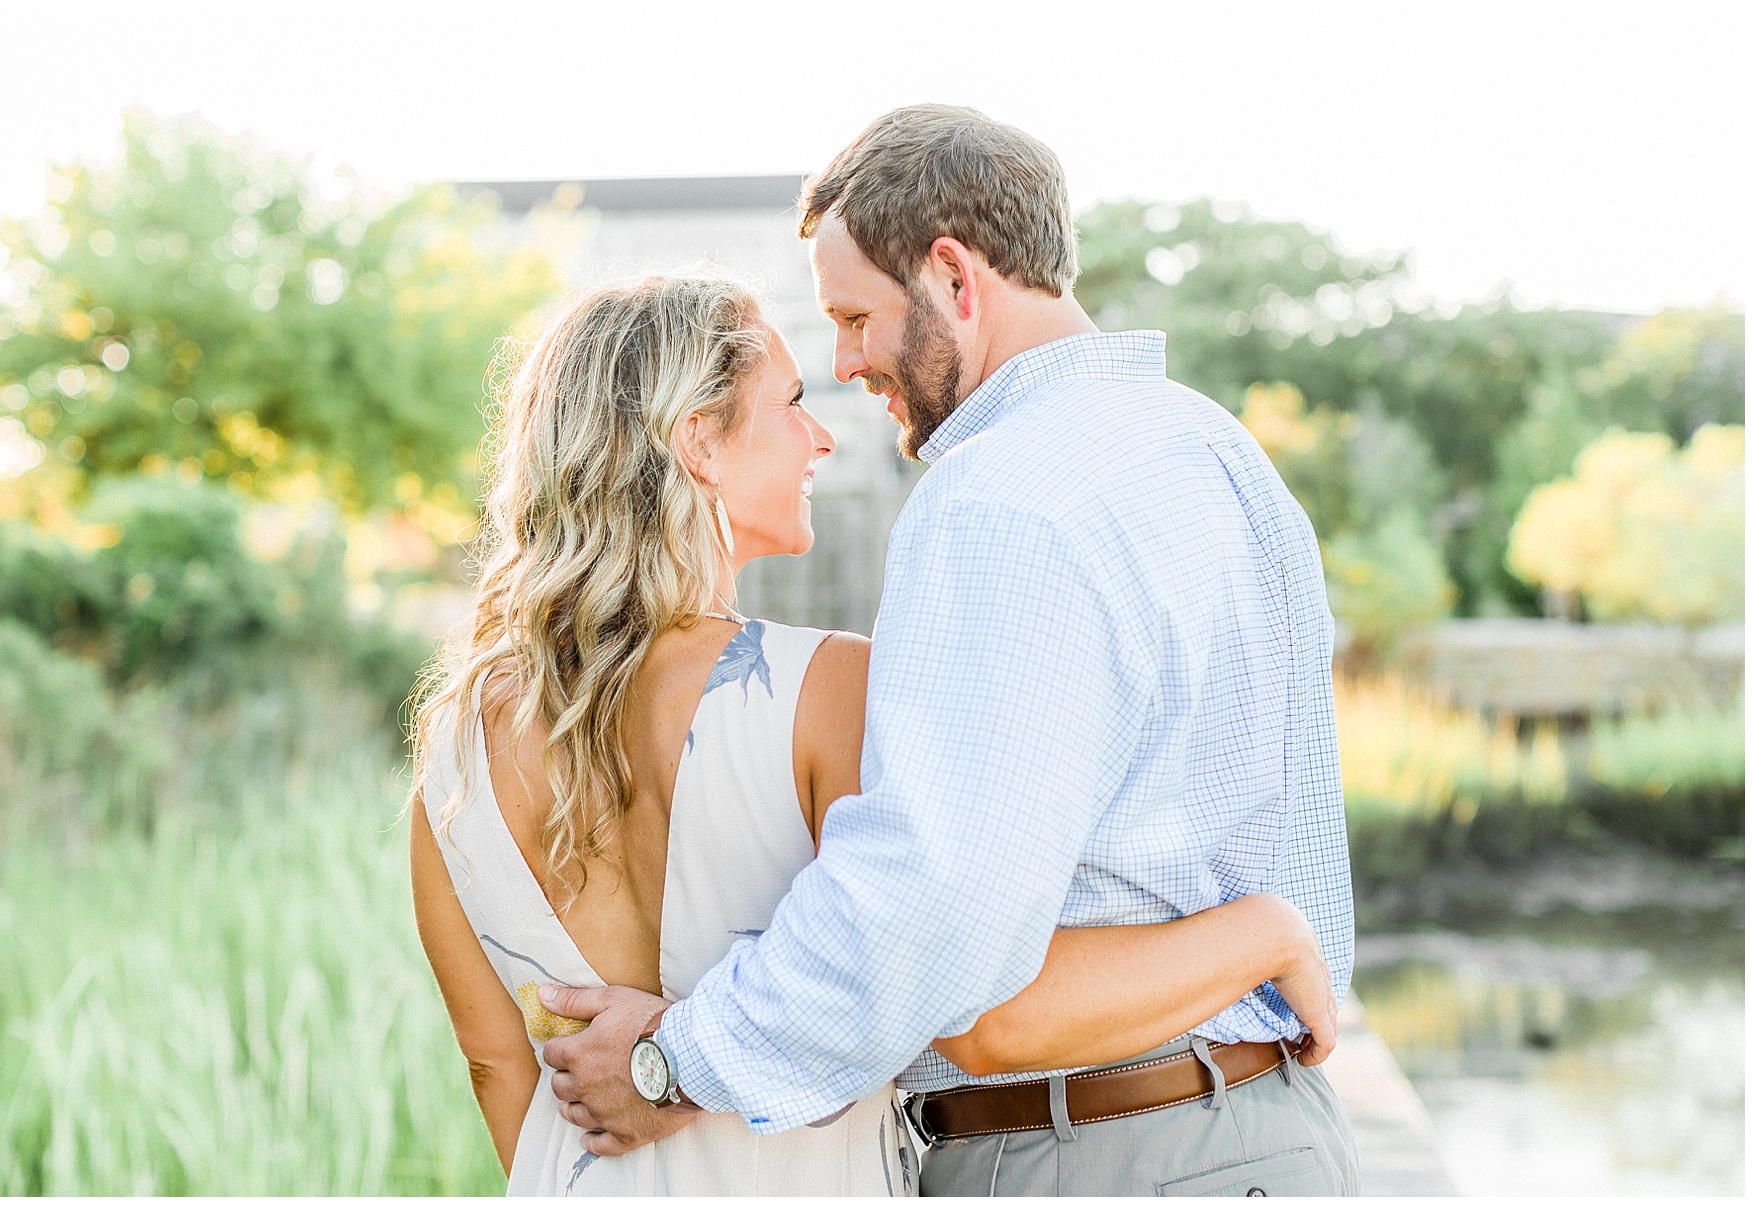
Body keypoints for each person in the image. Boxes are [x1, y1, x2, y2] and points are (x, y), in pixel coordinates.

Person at [537, 106, 1361, 1197]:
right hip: (1273, 1134)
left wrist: (673, 1060)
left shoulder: (998, 498)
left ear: (954, 278)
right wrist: (1268, 936)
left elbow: (932, 904)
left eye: (855, 316)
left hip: (1103, 1150)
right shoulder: (1221, 456)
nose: (845, 362)